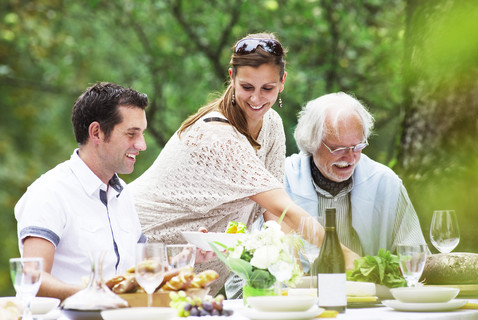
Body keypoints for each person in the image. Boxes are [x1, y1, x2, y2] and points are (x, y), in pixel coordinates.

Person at [130, 33, 360, 295]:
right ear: (232, 77)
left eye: (268, 89)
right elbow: (284, 208)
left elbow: (275, 217)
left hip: (196, 277)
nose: (256, 99)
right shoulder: (216, 135)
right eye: (247, 87)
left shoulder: (271, 125)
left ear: (282, 82)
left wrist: (292, 280)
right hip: (145, 250)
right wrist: (349, 259)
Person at [14, 82, 149, 301]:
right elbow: (32, 277)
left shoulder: (123, 193)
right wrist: (92, 295)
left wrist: (187, 261)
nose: (141, 145)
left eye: (141, 133)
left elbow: (139, 273)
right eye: (131, 134)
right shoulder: (49, 192)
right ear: (96, 132)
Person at [285, 92, 427, 259]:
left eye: (358, 146)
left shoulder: (385, 183)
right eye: (338, 149)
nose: (351, 158)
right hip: (302, 286)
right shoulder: (282, 180)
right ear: (311, 142)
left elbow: (415, 257)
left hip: (369, 285)